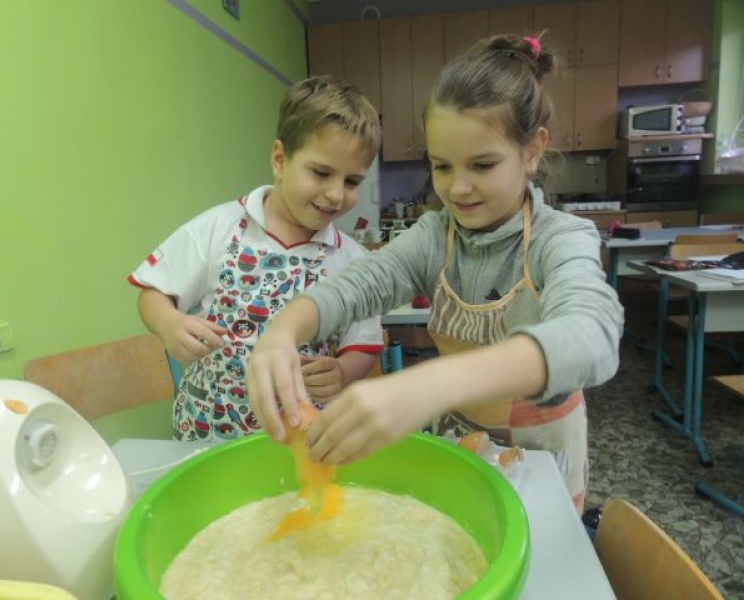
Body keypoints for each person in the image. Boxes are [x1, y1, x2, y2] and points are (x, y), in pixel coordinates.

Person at [246, 35, 624, 511]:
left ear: (532, 151)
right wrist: (283, 330)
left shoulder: (560, 238)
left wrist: (431, 385)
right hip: (459, 446)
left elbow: (593, 335)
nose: (458, 188)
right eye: (442, 166)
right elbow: (357, 287)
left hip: (542, 459)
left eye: (482, 165)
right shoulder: (434, 236)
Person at [128, 75, 385, 442]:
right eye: (321, 173)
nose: (335, 194)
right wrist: (168, 323)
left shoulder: (351, 259)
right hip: (209, 433)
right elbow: (154, 291)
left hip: (301, 439)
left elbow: (364, 342)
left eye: (352, 182)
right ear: (280, 160)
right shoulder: (218, 228)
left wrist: (344, 371)